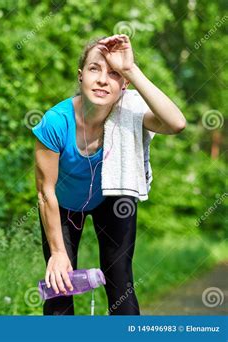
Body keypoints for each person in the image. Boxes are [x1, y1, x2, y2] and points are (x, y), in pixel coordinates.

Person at [32, 34, 187, 315]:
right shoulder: (55, 122)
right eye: (95, 69)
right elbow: (46, 192)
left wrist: (131, 69)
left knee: (119, 281)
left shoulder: (129, 112)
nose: (103, 79)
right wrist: (57, 252)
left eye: (114, 74)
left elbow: (176, 123)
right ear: (81, 77)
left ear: (124, 85)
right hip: (63, 206)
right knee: (59, 283)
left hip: (112, 197)